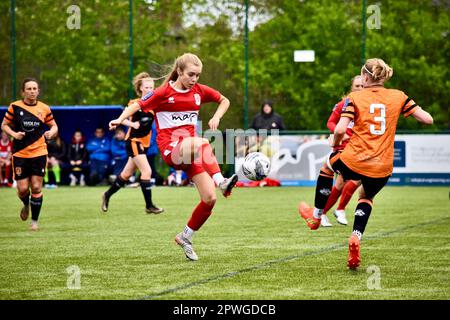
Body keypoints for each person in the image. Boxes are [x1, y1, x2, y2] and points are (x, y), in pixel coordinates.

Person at [298, 58, 433, 269]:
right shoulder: (398, 96)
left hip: (355, 159)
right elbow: (427, 119)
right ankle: (356, 236)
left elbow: (340, 130)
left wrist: (334, 144)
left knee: (327, 165)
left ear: (367, 77)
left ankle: (315, 217)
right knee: (366, 197)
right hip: (382, 167)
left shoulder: (355, 98)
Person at [109, 53, 238, 261]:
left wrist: (216, 116)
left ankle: (185, 237)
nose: (195, 79)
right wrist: (119, 119)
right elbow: (136, 105)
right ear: (179, 72)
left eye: (198, 75)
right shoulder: (163, 92)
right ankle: (221, 181)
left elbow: (224, 100)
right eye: (191, 75)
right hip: (172, 150)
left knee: (210, 198)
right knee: (203, 142)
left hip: (191, 151)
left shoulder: (198, 91)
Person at [1, 77, 58, 231]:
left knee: (36, 187)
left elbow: (54, 126)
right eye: (29, 89)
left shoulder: (44, 108)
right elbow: (4, 125)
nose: (32, 91)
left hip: (39, 152)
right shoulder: (14, 107)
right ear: (23, 91)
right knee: (23, 189)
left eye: (34, 89)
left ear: (38, 91)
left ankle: (34, 222)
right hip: (20, 153)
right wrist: (14, 133)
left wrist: (51, 133)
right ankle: (26, 204)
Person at [102, 72, 163, 214]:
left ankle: (106, 195)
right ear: (141, 88)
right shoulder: (134, 103)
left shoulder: (154, 105)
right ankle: (149, 206)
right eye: (146, 87)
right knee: (147, 171)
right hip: (133, 141)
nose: (149, 90)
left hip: (144, 144)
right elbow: (122, 118)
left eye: (151, 87)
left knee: (126, 174)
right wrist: (132, 124)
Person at [320, 76, 364, 227]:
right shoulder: (343, 104)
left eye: (363, 85)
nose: (360, 88)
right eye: (357, 86)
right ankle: (337, 209)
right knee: (355, 179)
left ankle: (323, 213)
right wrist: (341, 133)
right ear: (352, 88)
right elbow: (330, 122)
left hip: (358, 147)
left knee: (341, 184)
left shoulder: (368, 105)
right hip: (344, 147)